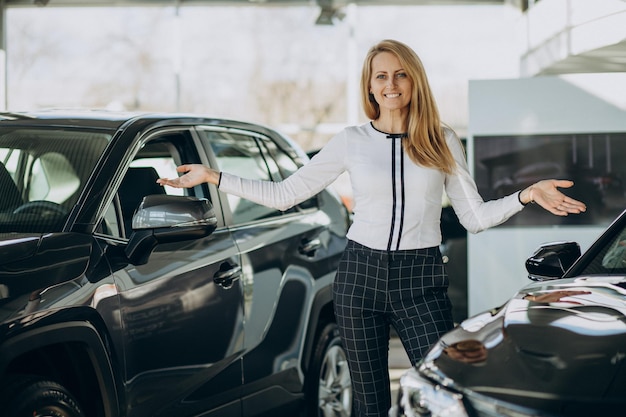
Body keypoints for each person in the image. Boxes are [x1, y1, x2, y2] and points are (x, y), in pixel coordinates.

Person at [157, 39, 586, 417]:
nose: (391, 84)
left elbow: (474, 218)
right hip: (360, 276)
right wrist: (215, 177)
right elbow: (286, 194)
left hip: (422, 278)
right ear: (369, 85)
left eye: (401, 74)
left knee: (441, 389)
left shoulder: (442, 140)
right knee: (369, 403)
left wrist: (526, 194)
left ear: (415, 81)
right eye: (381, 75)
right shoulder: (351, 140)